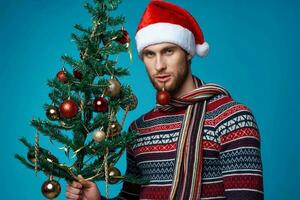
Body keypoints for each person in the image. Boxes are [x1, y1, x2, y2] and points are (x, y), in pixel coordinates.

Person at [66, 1, 264, 199]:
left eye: (168, 51)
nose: (159, 65)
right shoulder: (139, 129)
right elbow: (131, 197)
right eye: (150, 54)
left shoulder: (232, 118)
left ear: (187, 53)